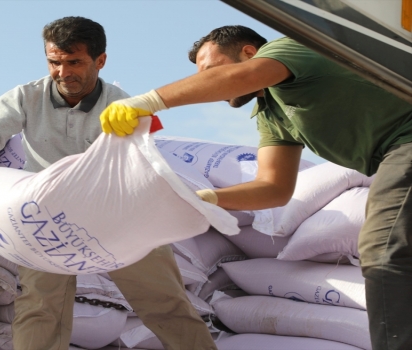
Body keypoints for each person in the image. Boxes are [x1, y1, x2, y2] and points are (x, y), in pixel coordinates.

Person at [99, 25, 412, 350]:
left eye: (210, 70)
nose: (207, 82)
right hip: (393, 159)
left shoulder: (293, 48)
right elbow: (272, 188)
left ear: (249, 52)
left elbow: (243, 77)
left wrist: (149, 101)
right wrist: (205, 199)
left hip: (407, 143)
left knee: (384, 247)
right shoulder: (271, 115)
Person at [0, 16, 217, 350]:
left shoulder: (122, 106)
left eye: (74, 62)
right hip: (47, 219)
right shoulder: (27, 97)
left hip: (118, 216)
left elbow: (138, 163)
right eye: (54, 62)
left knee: (165, 302)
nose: (63, 73)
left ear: (100, 61)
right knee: (40, 306)